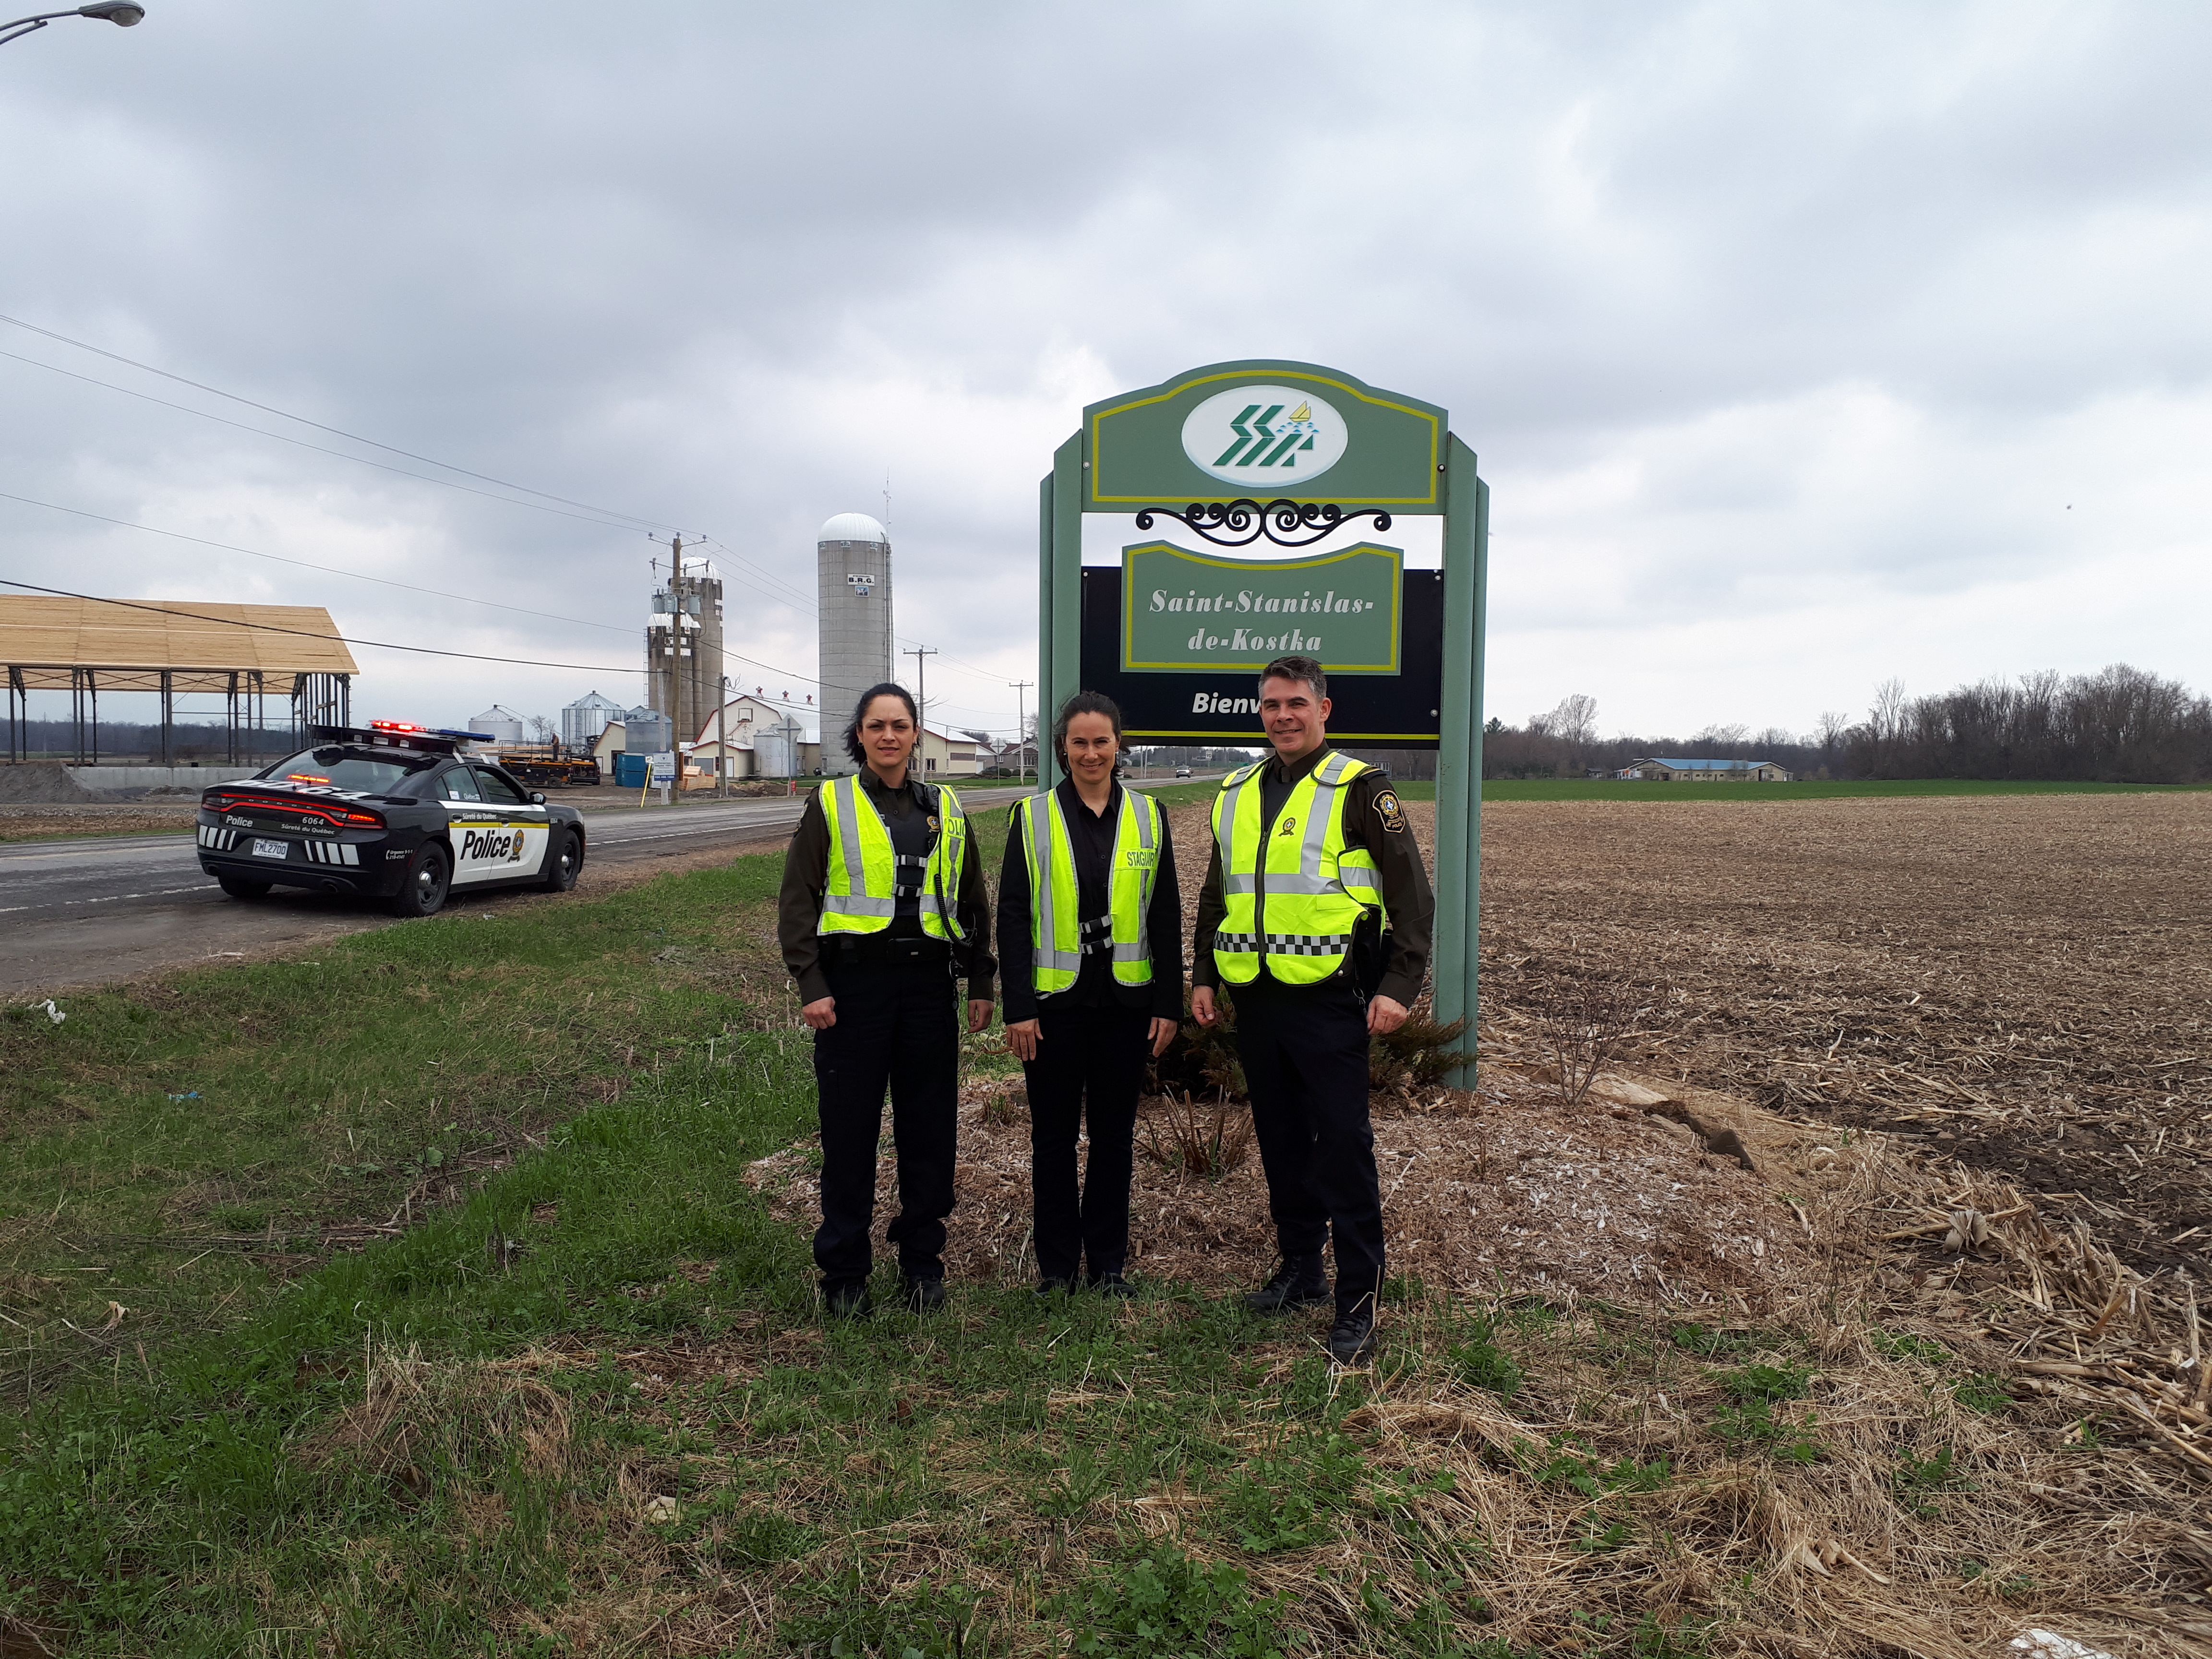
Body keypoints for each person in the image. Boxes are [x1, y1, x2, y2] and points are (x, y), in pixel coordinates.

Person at [1190, 654, 1433, 1364]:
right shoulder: (1235, 791)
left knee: (1342, 1147)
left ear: (1324, 710)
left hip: (1331, 998)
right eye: (1271, 705)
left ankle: (1360, 1298)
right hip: (1257, 995)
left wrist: (1398, 986)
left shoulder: (1363, 789)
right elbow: (1218, 895)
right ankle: (1302, 1271)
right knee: (1283, 1142)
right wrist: (1204, 973)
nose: (1283, 716)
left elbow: (1411, 897)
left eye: (1296, 703)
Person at [778, 683, 995, 1317]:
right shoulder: (833, 803)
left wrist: (980, 981)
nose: (890, 736)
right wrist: (811, 984)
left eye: (900, 725)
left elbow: (971, 899)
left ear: (916, 732)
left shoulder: (946, 808)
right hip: (854, 993)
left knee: (929, 1135)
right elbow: (798, 900)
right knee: (850, 1136)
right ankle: (845, 1275)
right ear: (861, 735)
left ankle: (922, 1264)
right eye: (877, 726)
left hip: (928, 991)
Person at [998, 692, 1181, 1297]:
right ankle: (1056, 1269)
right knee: (1051, 1140)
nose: (1091, 752)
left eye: (1101, 741)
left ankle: (1108, 1266)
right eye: (1079, 742)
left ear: (1119, 744)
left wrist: (1167, 1004)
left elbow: (1165, 915)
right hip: (1054, 1009)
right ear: (1063, 748)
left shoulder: (1150, 818)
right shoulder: (1032, 818)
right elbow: (1013, 916)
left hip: (1126, 1005)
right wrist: (1018, 1007)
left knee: (1113, 1138)